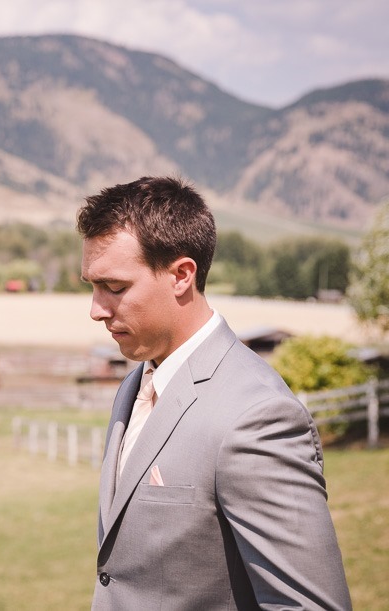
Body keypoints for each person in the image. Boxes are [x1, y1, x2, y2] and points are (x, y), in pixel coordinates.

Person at [78, 176, 352, 610]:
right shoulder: (136, 381)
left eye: (114, 288)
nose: (96, 309)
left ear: (182, 276)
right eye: (91, 287)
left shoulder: (258, 415)